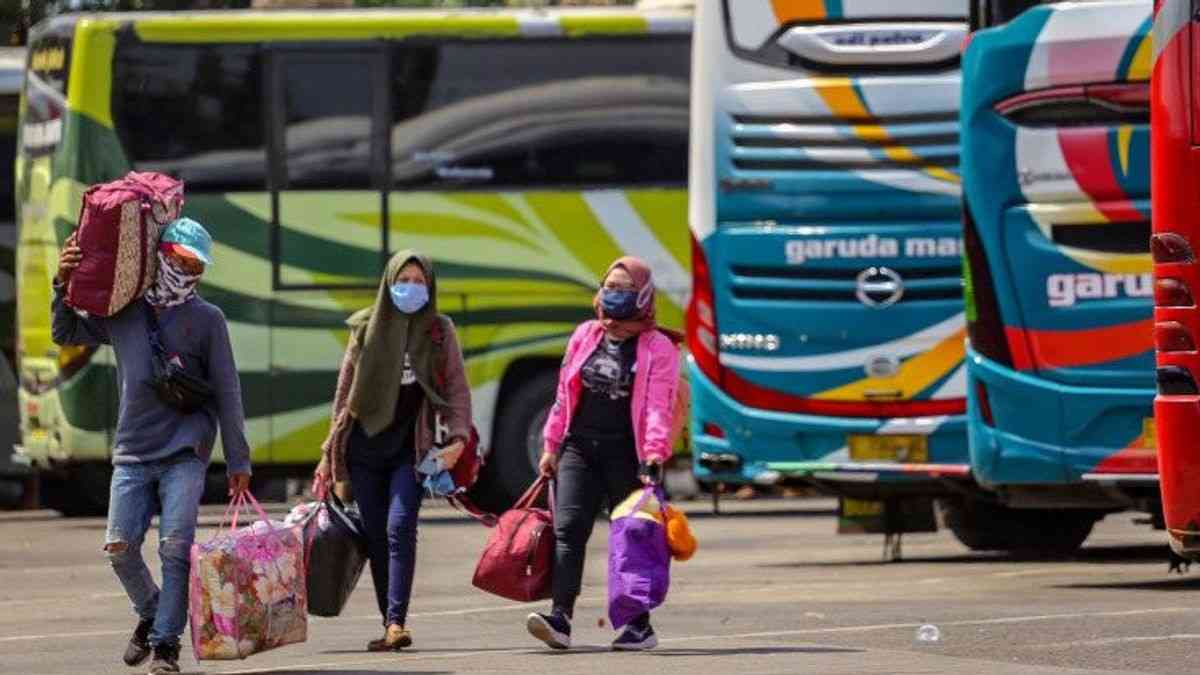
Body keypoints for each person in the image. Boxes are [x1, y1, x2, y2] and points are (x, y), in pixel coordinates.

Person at [52, 217, 252, 675]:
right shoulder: (124, 311)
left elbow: (228, 390)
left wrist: (238, 457)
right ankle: (152, 611)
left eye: (198, 266)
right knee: (120, 548)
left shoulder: (208, 319)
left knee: (176, 547)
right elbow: (67, 332)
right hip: (132, 453)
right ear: (162, 255)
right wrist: (61, 280)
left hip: (186, 452)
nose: (190, 272)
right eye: (183, 260)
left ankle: (165, 646)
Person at [315, 250, 472, 652]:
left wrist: (457, 438)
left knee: (400, 526)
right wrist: (328, 457)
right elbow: (344, 393)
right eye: (404, 280)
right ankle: (390, 626)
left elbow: (455, 388)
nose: (412, 288)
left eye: (420, 282)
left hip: (410, 448)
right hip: (364, 451)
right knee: (376, 535)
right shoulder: (365, 328)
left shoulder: (438, 331)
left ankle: (398, 620)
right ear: (388, 282)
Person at [526, 256, 682, 652]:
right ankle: (559, 618)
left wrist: (653, 454)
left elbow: (658, 407)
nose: (614, 296)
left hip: (626, 452)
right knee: (569, 529)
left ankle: (638, 626)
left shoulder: (658, 347)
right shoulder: (585, 335)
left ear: (643, 296)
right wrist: (551, 445)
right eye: (609, 286)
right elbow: (564, 394)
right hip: (579, 447)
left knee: (630, 537)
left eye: (625, 290)